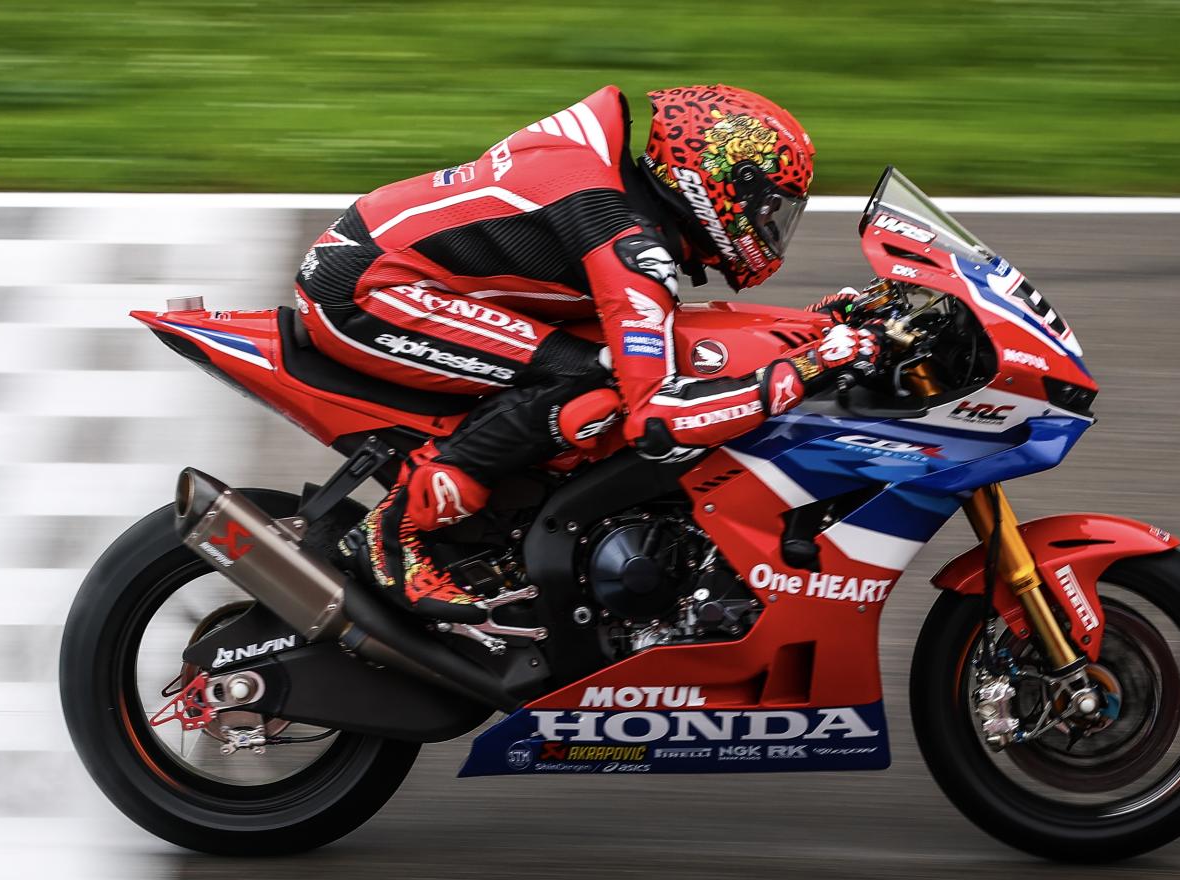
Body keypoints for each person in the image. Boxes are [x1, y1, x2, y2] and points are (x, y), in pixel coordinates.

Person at [293, 84, 878, 624]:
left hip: (394, 265)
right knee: (591, 383)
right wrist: (807, 367)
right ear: (720, 185)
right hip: (367, 292)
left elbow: (668, 329)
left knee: (612, 362)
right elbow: (657, 420)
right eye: (768, 208)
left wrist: (815, 325)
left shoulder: (617, 198)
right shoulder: (624, 242)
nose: (769, 226)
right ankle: (393, 532)